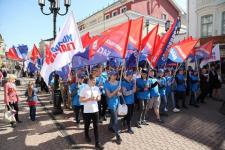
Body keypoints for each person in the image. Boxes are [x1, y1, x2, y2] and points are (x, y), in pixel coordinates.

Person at [79, 74, 103, 149]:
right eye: (93, 80)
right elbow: (81, 100)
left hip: (95, 110)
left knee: (96, 126)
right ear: (89, 80)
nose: (95, 82)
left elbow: (99, 96)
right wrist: (89, 99)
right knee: (87, 125)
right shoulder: (84, 89)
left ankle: (97, 142)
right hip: (87, 111)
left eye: (95, 80)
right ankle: (86, 135)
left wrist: (97, 98)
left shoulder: (96, 88)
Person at [104, 70, 122, 145]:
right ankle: (117, 135)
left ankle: (110, 126)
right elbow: (109, 95)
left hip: (117, 101)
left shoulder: (118, 82)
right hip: (111, 103)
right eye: (113, 75)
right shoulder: (106, 84)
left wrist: (119, 93)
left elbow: (119, 93)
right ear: (110, 75)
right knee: (115, 118)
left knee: (114, 116)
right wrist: (116, 90)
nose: (115, 76)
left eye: (116, 75)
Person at [122, 70, 136, 134]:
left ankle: (123, 120)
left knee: (131, 114)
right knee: (129, 115)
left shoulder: (132, 81)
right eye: (131, 75)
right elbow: (125, 93)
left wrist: (134, 83)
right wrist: (132, 91)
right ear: (128, 75)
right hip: (127, 102)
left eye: (132, 75)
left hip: (132, 100)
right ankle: (129, 128)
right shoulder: (123, 82)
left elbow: (134, 89)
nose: (132, 76)